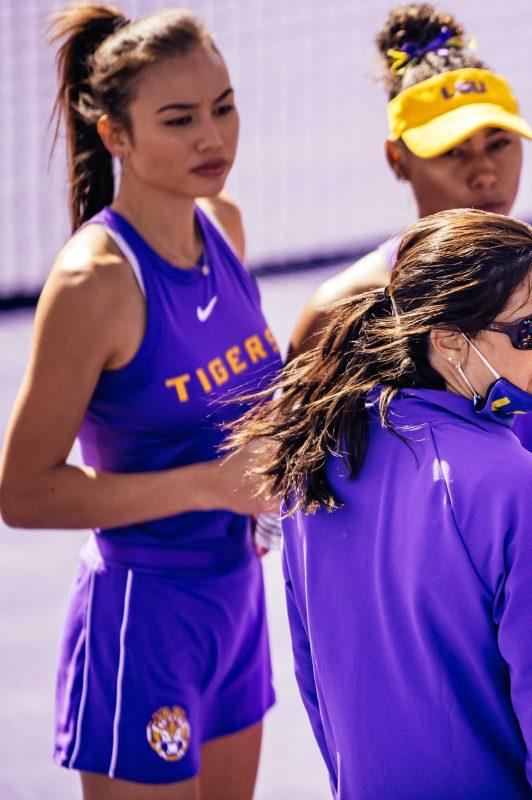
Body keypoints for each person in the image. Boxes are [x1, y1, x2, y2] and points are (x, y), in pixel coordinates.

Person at [288, 4, 532, 613]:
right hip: (434, 619)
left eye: (499, 143)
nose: (485, 172)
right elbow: (314, 497)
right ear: (397, 158)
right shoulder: (342, 310)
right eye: (454, 151)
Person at [0, 5, 279, 797]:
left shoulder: (224, 226)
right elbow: (21, 493)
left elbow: (241, 400)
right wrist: (208, 484)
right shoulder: (96, 283)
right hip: (145, 619)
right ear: (115, 135)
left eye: (224, 107)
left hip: (237, 606)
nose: (213, 138)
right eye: (180, 119)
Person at [232, 209, 532, 798]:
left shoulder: (313, 461)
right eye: (531, 330)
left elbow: (316, 684)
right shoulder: (525, 492)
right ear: (449, 342)